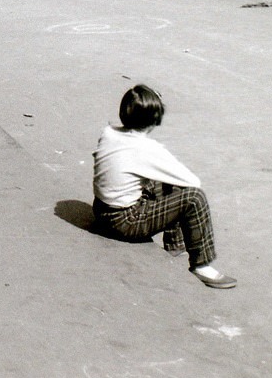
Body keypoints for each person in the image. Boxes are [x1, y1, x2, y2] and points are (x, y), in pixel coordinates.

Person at [92, 84, 236, 289]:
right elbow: (192, 182)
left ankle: (176, 245)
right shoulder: (146, 149)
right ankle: (201, 264)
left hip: (102, 210)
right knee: (193, 197)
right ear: (154, 120)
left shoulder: (109, 132)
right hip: (123, 222)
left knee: (157, 179)